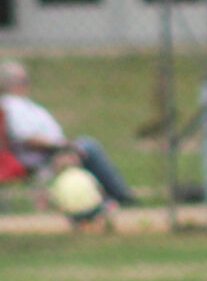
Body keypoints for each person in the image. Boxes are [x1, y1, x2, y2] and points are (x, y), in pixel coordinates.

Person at [0, 60, 137, 206]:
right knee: (87, 148)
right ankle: (119, 197)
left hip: (50, 150)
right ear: (10, 83)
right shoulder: (11, 105)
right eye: (23, 80)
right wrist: (61, 146)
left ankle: (106, 199)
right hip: (41, 155)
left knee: (85, 147)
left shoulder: (22, 103)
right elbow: (27, 137)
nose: (27, 84)